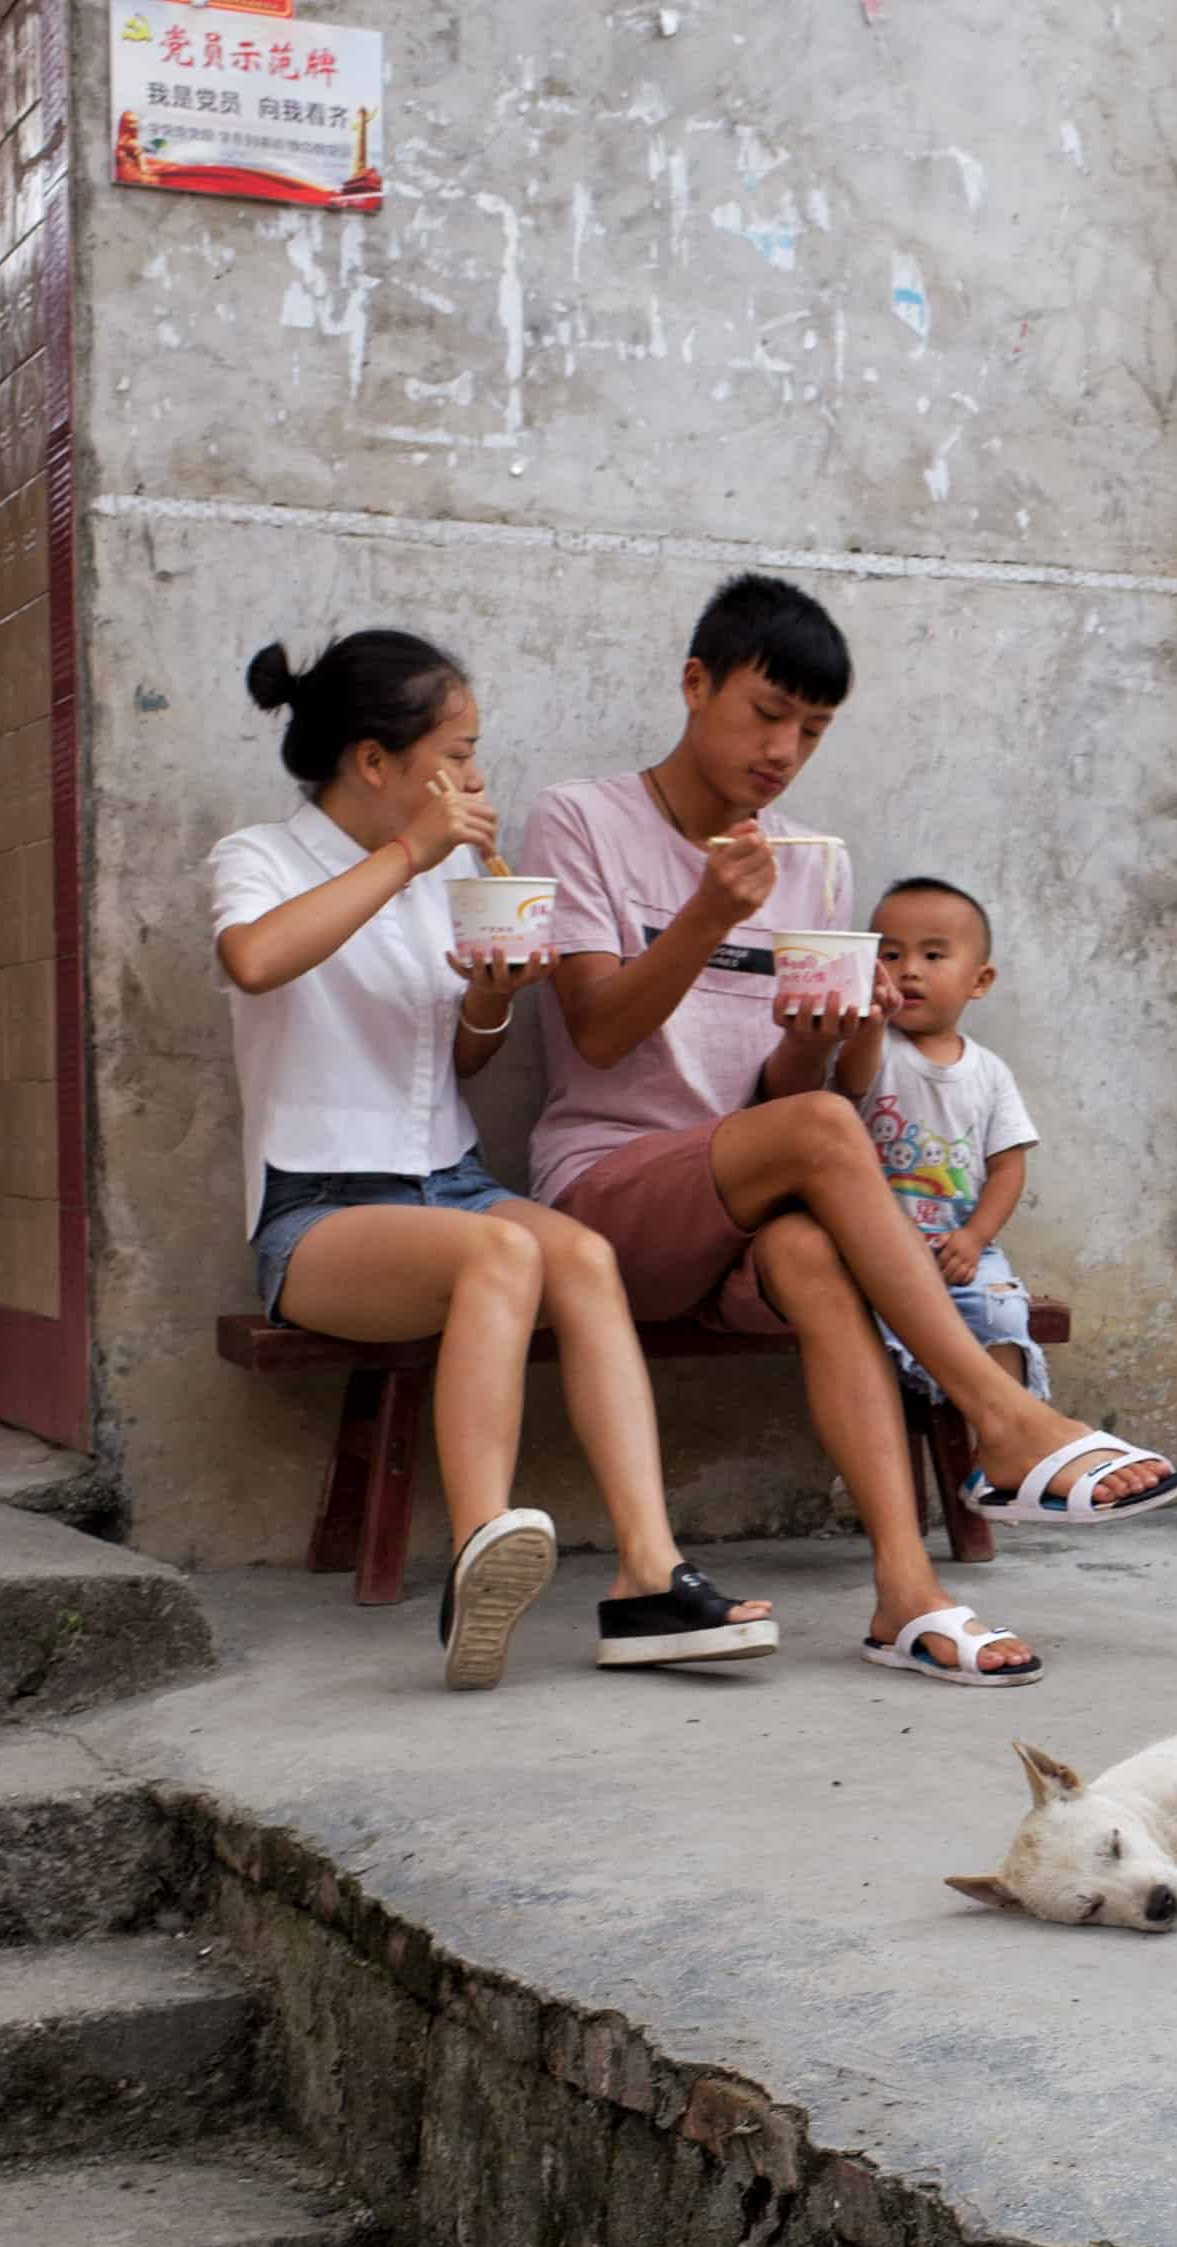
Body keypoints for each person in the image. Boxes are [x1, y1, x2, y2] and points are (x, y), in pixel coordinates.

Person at [511, 575, 1177, 1695]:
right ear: (695, 683)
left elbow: (787, 1088)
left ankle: (905, 1592)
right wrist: (711, 913)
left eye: (812, 730)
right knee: (822, 1130)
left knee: (811, 1246)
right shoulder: (580, 818)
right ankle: (1002, 1416)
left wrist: (827, 1036)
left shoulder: (810, 856)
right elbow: (596, 1026)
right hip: (611, 1196)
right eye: (767, 714)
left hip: (755, 1202)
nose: (784, 751)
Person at [213, 631, 779, 1691]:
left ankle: (649, 1576)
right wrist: (410, 854)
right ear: (374, 760)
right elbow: (253, 960)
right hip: (319, 1210)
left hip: (453, 1182)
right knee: (501, 1254)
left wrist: (490, 995)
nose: (477, 780)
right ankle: (483, 1548)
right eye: (459, 754)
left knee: (584, 1258)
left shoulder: (457, 875)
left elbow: (465, 1060)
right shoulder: (261, 857)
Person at [834, 877, 1053, 1413]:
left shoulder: (990, 1073)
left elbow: (1007, 1169)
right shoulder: (874, 1048)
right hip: (875, 1254)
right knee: (873, 1341)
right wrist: (869, 1022)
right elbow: (851, 1083)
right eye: (891, 955)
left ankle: (1003, 1437)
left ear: (980, 980)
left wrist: (976, 1237)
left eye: (933, 955)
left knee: (1002, 1312)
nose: (909, 970)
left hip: (959, 1250)